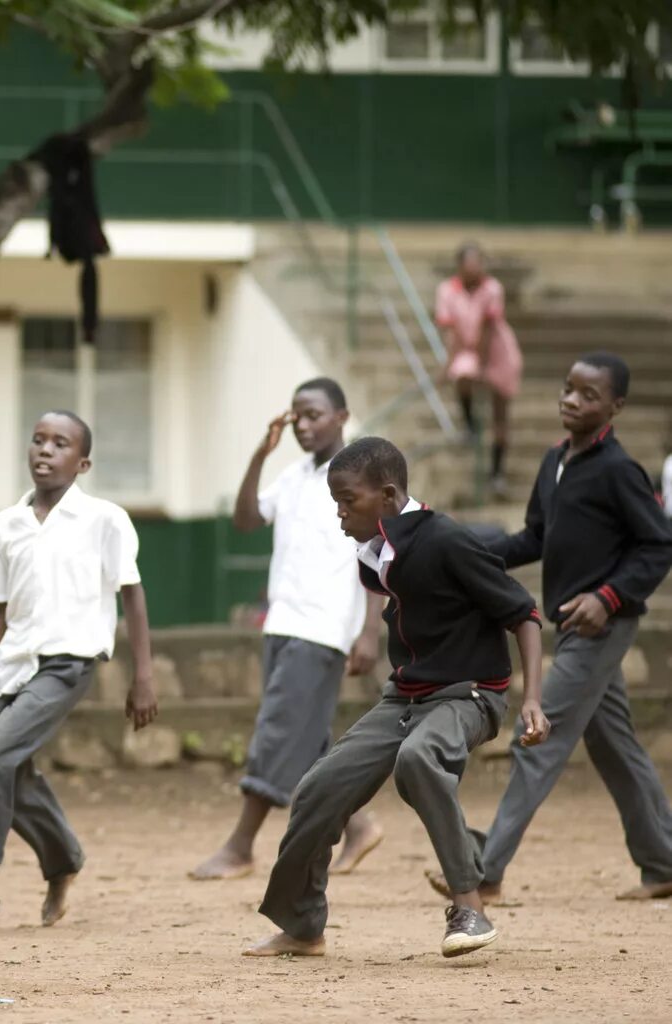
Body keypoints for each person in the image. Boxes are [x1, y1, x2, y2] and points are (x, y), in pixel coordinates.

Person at [246, 436, 548, 960]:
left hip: (470, 695)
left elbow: (523, 614)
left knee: (419, 759)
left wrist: (532, 700)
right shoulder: (377, 551)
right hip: (406, 698)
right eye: (335, 502)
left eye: (347, 501)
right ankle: (301, 926)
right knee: (319, 786)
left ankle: (470, 907)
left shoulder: (447, 540)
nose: (339, 514)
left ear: (387, 495)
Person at [426, 353, 672, 904]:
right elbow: (533, 538)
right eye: (568, 389)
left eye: (588, 395)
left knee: (537, 739)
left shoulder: (619, 470)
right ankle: (663, 861)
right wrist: (465, 548)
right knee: (616, 747)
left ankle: (484, 872)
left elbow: (658, 545)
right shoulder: (554, 462)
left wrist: (608, 598)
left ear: (615, 407)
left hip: (602, 628)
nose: (571, 401)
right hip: (571, 626)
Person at [0, 410, 158, 935]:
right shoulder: (4, 526)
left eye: (60, 443)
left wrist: (142, 674)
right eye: (38, 440)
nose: (45, 450)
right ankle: (64, 861)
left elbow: (133, 596)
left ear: (83, 462)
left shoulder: (105, 520)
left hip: (68, 663)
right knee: (14, 774)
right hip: (12, 668)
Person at [190, 379, 385, 881]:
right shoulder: (294, 476)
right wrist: (260, 455)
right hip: (282, 623)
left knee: (278, 733)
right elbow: (246, 519)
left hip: (322, 630)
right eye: (297, 416)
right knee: (307, 744)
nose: (302, 425)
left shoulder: (361, 480)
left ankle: (240, 846)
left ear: (342, 417)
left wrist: (369, 632)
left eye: (314, 415)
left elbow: (376, 556)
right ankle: (359, 826)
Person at [437, 242, 523, 498]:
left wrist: (485, 369)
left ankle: (497, 473)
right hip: (468, 350)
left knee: (500, 415)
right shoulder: (446, 290)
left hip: (498, 352)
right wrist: (448, 364)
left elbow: (488, 329)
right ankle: (470, 426)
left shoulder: (492, 288)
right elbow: (451, 332)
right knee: (461, 376)